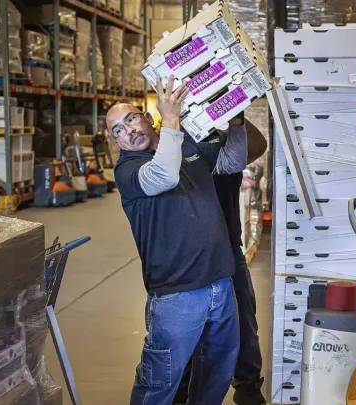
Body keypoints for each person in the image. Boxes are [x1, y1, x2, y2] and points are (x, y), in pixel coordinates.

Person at [109, 76, 248, 405]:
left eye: (130, 118)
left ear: (145, 116)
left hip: (220, 283)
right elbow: (164, 175)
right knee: (158, 384)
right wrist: (171, 118)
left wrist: (238, 119)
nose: (127, 130)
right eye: (117, 130)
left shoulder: (186, 146)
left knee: (216, 376)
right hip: (176, 297)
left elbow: (234, 161)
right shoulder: (129, 171)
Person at [174, 125, 268, 405]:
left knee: (242, 316)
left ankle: (247, 384)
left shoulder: (225, 143)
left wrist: (234, 113)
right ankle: (181, 387)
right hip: (186, 255)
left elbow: (259, 145)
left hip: (227, 247)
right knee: (186, 325)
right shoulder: (169, 143)